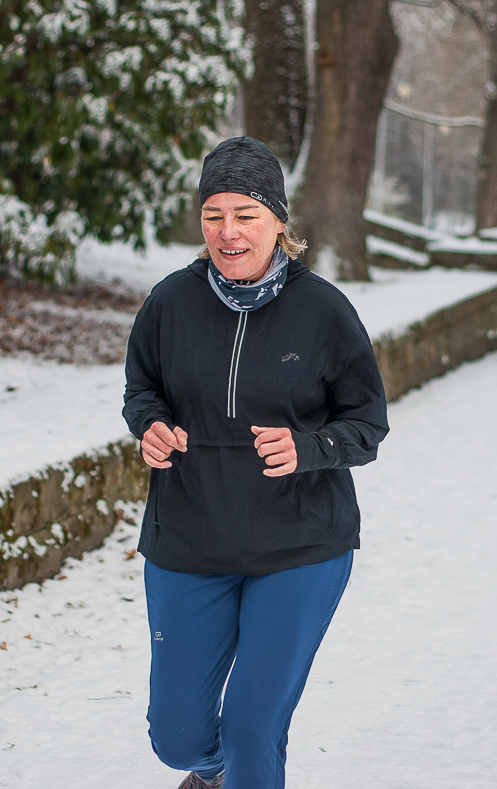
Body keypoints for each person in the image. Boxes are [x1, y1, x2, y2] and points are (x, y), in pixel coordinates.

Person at [123, 136, 389, 789]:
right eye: (214, 214)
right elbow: (142, 389)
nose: (227, 231)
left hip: (300, 547)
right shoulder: (170, 303)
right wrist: (150, 426)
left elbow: (366, 424)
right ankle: (209, 772)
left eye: (245, 214)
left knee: (251, 730)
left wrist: (308, 447)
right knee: (177, 736)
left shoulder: (323, 311)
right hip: (189, 539)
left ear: (278, 221)